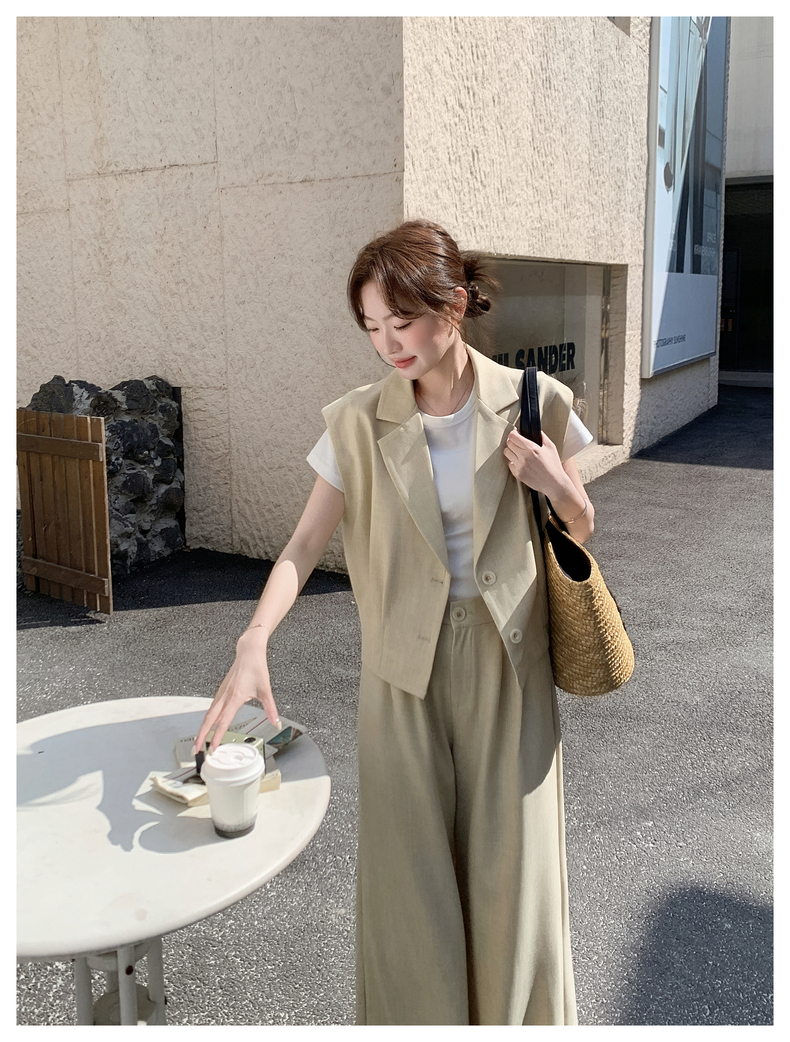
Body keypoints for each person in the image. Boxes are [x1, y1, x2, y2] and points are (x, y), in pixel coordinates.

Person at [194, 219, 595, 1026]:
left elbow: (579, 531)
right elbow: (302, 545)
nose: (388, 344)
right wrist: (254, 638)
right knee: (408, 889)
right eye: (372, 327)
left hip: (510, 666)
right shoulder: (354, 422)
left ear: (454, 305)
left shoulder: (535, 401)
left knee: (514, 878)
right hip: (399, 676)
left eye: (402, 321)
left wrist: (555, 482)